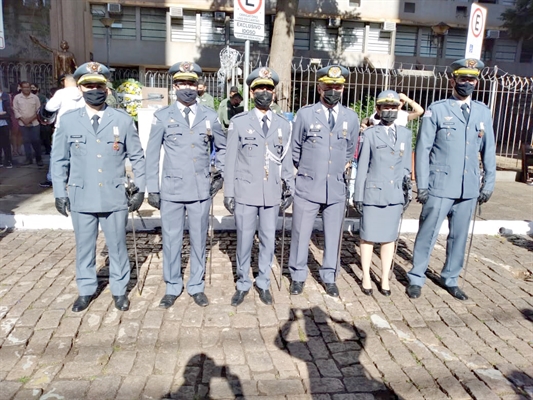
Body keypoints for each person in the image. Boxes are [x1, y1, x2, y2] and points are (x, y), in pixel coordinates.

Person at [51, 62, 145, 312]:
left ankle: (119, 290)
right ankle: (85, 289)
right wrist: (60, 192)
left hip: (114, 195)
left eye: (99, 85)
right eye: (89, 85)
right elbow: (59, 159)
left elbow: (137, 157)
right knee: (84, 247)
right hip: (81, 194)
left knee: (117, 246)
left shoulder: (122, 120)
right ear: (81, 89)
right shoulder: (69, 121)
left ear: (107, 88)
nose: (95, 90)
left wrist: (140, 188)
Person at [407, 58, 496, 301]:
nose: (467, 83)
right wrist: (422, 184)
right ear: (453, 80)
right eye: (462, 78)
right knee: (429, 231)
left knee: (459, 236)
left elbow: (488, 151)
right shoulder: (437, 109)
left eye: (471, 79)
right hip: (439, 185)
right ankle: (416, 276)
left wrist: (488, 184)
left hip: (468, 187)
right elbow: (422, 149)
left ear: (477, 82)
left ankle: (450, 278)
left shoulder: (482, 112)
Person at [145, 61, 226, 309]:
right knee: (171, 239)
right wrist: (152, 189)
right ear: (175, 86)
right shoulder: (162, 116)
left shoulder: (210, 116)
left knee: (200, 238)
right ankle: (172, 286)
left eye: (191, 83)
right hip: (171, 189)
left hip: (201, 189)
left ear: (198, 86)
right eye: (182, 83)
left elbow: (223, 147)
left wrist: (219, 172)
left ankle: (196, 285)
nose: (187, 88)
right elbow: (151, 154)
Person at [224, 67, 294, 306]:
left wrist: (289, 187)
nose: (265, 93)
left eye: (269, 89)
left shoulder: (283, 125)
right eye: (260, 89)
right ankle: (243, 282)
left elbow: (286, 160)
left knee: (268, 239)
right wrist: (228, 193)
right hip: (245, 191)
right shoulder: (239, 122)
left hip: (272, 192)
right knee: (244, 239)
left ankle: (263, 281)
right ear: (252, 92)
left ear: (274, 94)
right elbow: (230, 159)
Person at [288, 65, 359, 297]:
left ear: (343, 88)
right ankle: (298, 275)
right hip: (308, 184)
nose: (333, 90)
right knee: (300, 233)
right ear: (319, 87)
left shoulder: (351, 117)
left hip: (336, 187)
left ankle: (329, 276)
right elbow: (295, 148)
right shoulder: (306, 114)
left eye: (337, 86)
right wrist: (309, 169)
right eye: (328, 86)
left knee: (333, 235)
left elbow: (349, 150)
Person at [353, 90, 412, 296]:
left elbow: (406, 167)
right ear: (378, 110)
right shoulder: (369, 134)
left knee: (389, 238)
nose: (390, 111)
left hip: (394, 194)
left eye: (393, 107)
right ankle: (367, 276)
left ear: (399, 109)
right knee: (368, 237)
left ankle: (385, 277)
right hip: (373, 193)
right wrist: (358, 195)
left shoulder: (405, 134)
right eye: (385, 107)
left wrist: (407, 190)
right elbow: (362, 167)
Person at [39, 74, 86, 188]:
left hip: (63, 128)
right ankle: (79, 178)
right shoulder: (83, 93)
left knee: (57, 154)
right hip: (81, 127)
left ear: (65, 82)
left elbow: (50, 107)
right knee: (79, 154)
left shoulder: (61, 93)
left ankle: (53, 178)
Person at [13, 81, 42, 166]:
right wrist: (23, 119)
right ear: (21, 88)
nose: (26, 89)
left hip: (34, 123)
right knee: (26, 141)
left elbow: (38, 111)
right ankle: (28, 159)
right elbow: (15, 110)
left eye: (28, 87)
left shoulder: (35, 98)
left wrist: (30, 119)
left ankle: (38, 159)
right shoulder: (17, 98)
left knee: (36, 140)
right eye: (24, 87)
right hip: (23, 123)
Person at [0, 85, 13, 168]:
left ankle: (8, 161)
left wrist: (2, 115)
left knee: (6, 143)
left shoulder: (5, 97)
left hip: (4, 123)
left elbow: (8, 113)